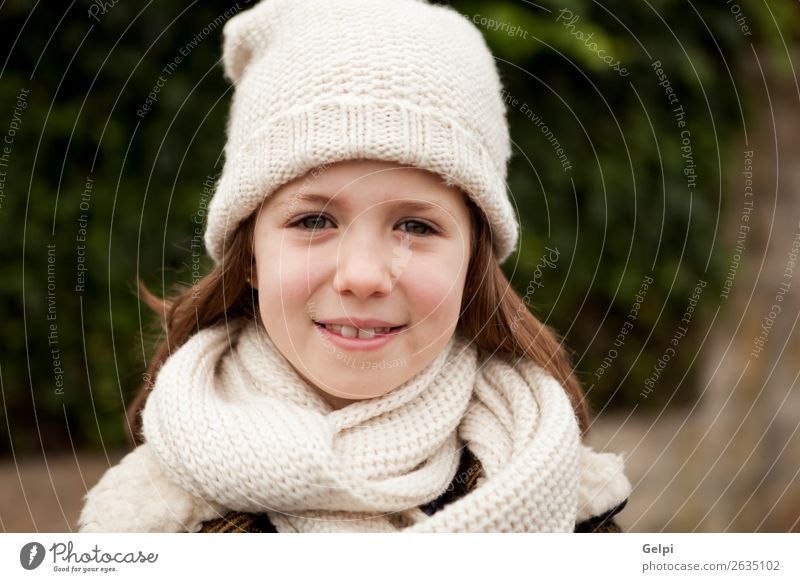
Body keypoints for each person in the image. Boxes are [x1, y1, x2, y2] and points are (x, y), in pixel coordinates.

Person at [78, 0, 631, 533]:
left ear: (472, 262)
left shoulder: (561, 495)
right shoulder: (145, 524)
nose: (363, 276)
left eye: (416, 226)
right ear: (249, 255)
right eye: (314, 222)